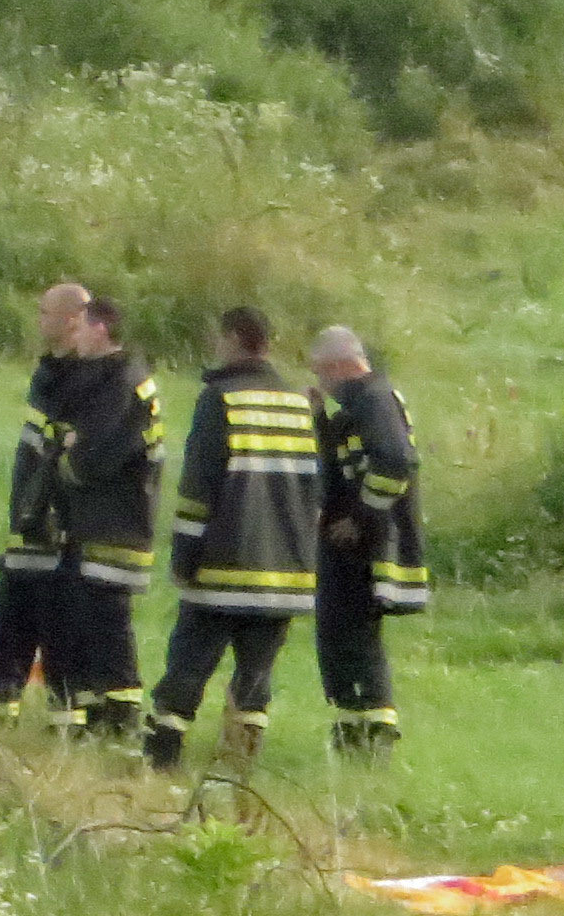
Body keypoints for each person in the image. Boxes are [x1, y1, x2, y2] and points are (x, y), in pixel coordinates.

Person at [143, 306, 325, 772]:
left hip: (221, 569)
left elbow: (197, 492)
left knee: (187, 668)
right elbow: (314, 490)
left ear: (232, 339)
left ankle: (162, 760)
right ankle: (240, 765)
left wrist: (184, 557)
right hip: (284, 574)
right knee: (255, 678)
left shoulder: (219, 399)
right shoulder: (298, 404)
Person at [309, 325, 427, 757]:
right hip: (355, 543)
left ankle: (371, 736)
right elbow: (345, 462)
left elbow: (396, 463)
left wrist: (360, 517)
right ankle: (354, 732)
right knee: (342, 636)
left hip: (365, 546)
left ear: (342, 365)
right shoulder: (360, 402)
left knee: (354, 638)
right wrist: (320, 419)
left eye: (322, 372)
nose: (321, 382)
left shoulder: (374, 399)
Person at [53, 295, 165, 739]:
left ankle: (119, 716)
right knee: (91, 615)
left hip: (116, 518)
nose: (74, 337)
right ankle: (100, 710)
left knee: (106, 618)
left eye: (80, 328)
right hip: (111, 517)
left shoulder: (118, 384)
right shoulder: (121, 377)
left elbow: (93, 457)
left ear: (100, 330)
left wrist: (67, 459)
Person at [0, 281, 94, 711]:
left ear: (71, 320)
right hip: (28, 522)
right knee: (10, 625)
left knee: (57, 633)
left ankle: (63, 717)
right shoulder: (48, 373)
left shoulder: (84, 378)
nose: (39, 320)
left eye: (45, 313)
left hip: (56, 529)